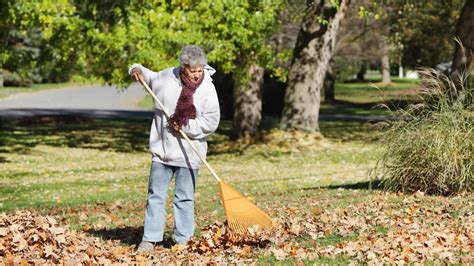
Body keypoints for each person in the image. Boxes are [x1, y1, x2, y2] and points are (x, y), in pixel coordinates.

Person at [129, 45, 220, 253]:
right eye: (193, 70)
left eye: (200, 69)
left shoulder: (208, 88)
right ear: (183, 67)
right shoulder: (165, 78)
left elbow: (212, 121)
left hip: (190, 153)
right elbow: (145, 74)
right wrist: (136, 70)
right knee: (156, 195)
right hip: (163, 152)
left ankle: (183, 239)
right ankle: (150, 238)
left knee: (185, 197)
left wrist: (186, 126)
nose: (198, 74)